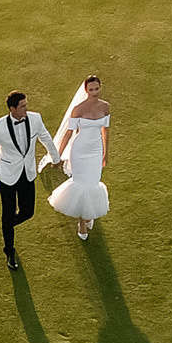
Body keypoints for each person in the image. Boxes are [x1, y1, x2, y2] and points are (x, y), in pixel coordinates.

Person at [0, 89, 59, 271]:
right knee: (8, 212)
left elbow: (46, 138)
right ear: (12, 109)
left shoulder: (35, 119)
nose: (27, 108)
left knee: (28, 212)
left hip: (28, 174)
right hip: (7, 177)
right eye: (23, 106)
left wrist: (56, 158)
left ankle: (7, 226)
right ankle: (9, 251)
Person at [50, 74, 110, 239]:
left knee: (93, 184)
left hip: (95, 150)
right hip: (80, 151)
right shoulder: (78, 109)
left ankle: (87, 215)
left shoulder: (105, 107)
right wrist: (58, 155)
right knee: (82, 184)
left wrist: (105, 153)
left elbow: (105, 131)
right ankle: (82, 222)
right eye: (91, 90)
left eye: (97, 89)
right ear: (86, 90)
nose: (94, 92)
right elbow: (69, 133)